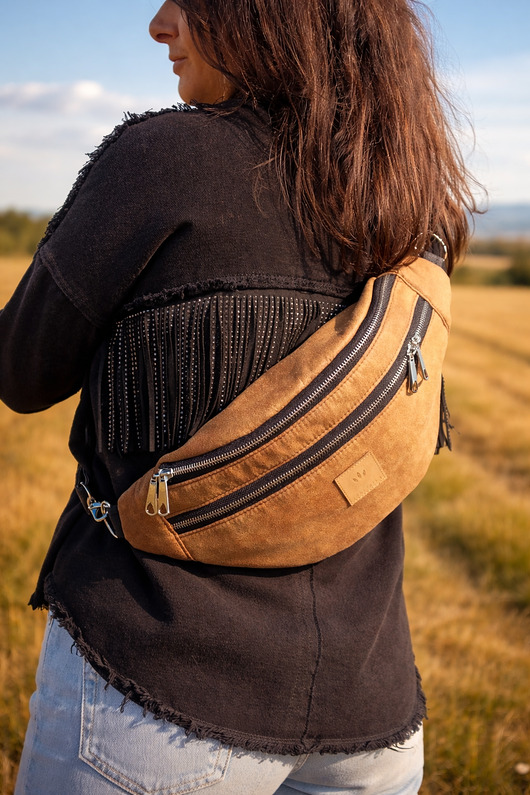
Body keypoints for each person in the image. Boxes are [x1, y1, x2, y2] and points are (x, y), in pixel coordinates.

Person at [1, 1, 477, 792]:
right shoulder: (410, 195)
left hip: (158, 689)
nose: (159, 24)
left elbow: (22, 369)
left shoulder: (163, 157)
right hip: (373, 711)